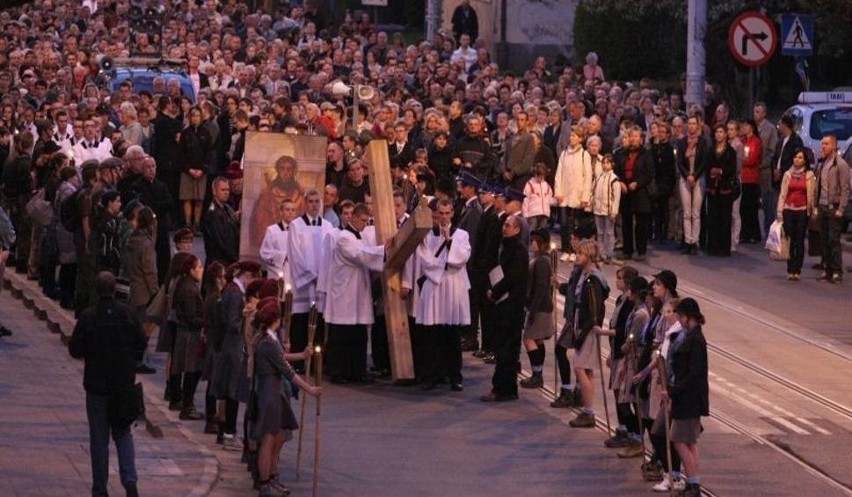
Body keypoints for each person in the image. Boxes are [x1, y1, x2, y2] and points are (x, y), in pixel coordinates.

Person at [69, 271, 147, 497]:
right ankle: (130, 483)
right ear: (115, 290)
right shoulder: (128, 314)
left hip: (96, 386)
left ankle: (100, 488)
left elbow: (75, 348)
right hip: (123, 385)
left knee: (99, 440)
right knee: (123, 434)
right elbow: (141, 343)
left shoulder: (89, 317)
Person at [251, 300, 321, 497]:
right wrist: (309, 388)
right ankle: (265, 483)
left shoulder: (269, 340)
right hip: (269, 393)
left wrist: (302, 355)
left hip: (275, 391)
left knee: (278, 437)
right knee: (268, 439)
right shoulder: (266, 342)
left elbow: (282, 358)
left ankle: (272, 477)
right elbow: (287, 370)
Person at [320, 203, 387, 384]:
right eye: (363, 220)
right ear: (353, 218)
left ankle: (357, 371)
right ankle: (338, 372)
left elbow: (367, 250)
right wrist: (384, 250)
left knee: (358, 333)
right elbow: (360, 255)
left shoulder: (362, 236)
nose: (365, 224)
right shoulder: (343, 237)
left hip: (358, 290)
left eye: (367, 221)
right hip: (345, 292)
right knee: (342, 334)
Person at [415, 199, 472, 391]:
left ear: (452, 214)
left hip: (453, 286)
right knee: (433, 334)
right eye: (441, 213)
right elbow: (424, 259)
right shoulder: (428, 235)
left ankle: (455, 376)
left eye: (448, 213)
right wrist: (444, 266)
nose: (444, 217)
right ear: (436, 214)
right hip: (435, 284)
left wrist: (449, 243)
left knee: (452, 335)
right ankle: (432, 375)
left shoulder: (462, 235)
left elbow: (462, 257)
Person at [212, 260, 262, 451]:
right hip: (233, 348)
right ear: (247, 276)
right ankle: (228, 433)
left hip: (231, 348)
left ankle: (225, 432)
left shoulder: (233, 291)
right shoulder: (234, 294)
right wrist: (245, 314)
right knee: (232, 392)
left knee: (228, 391)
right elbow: (232, 323)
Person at [663, 298, 710, 497]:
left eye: (681, 316)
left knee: (679, 440)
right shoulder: (689, 336)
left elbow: (695, 372)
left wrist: (673, 391)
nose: (679, 319)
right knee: (688, 442)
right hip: (686, 397)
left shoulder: (696, 340)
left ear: (690, 317)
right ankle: (693, 482)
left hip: (689, 398)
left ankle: (694, 485)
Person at [482, 215, 528, 402]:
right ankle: (505, 387)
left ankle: (503, 388)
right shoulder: (507, 248)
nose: (504, 228)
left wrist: (494, 292)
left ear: (517, 230)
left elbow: (512, 278)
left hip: (511, 307)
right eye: (504, 225)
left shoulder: (518, 251)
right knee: (503, 347)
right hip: (503, 305)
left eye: (508, 226)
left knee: (507, 349)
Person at [288, 189, 335, 372]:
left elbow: (331, 255)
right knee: (301, 320)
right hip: (304, 283)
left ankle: (317, 362)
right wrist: (310, 276)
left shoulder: (328, 227)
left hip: (321, 282)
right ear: (305, 203)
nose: (315, 205)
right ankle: (298, 362)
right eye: (311, 202)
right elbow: (295, 254)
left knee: (319, 321)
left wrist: (323, 276)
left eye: (317, 201)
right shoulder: (296, 226)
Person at [568, 239, 609, 428]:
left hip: (587, 327)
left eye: (580, 254)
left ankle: (588, 411)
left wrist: (582, 335)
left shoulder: (593, 280)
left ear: (589, 256)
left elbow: (593, 311)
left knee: (579, 367)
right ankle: (588, 407)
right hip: (581, 322)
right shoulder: (585, 275)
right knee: (587, 369)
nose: (577, 257)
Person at [171, 254, 207, 421]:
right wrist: (207, 321)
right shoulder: (189, 289)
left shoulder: (188, 285)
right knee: (191, 371)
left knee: (191, 370)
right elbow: (191, 317)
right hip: (188, 335)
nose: (201, 270)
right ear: (191, 270)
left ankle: (187, 403)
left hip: (186, 333)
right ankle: (187, 405)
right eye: (198, 268)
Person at [519, 229, 555, 389]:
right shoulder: (537, 258)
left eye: (535, 241)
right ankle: (537, 373)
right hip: (536, 305)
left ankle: (537, 374)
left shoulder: (542, 261)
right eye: (531, 240)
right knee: (537, 340)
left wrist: (532, 310)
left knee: (529, 338)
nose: (532, 243)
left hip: (540, 307)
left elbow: (541, 288)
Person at [814, 135, 850, 284]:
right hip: (822, 207)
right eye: (822, 144)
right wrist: (815, 205)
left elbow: (845, 189)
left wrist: (841, 208)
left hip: (833, 207)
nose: (823, 146)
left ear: (834, 146)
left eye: (826, 144)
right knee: (824, 240)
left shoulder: (840, 165)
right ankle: (827, 269)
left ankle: (837, 271)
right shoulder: (822, 164)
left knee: (833, 240)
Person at [776, 148, 816, 281]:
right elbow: (783, 193)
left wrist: (811, 209)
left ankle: (797, 270)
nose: (797, 160)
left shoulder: (809, 175)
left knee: (799, 240)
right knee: (790, 240)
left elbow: (812, 195)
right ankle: (790, 268)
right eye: (795, 157)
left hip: (802, 210)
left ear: (804, 160)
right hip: (789, 209)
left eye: (800, 158)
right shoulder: (788, 174)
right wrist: (780, 211)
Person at [615, 126, 654, 261]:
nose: (633, 139)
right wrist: (620, 182)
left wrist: (637, 183)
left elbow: (649, 174)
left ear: (641, 139)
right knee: (626, 222)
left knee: (641, 223)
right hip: (625, 190)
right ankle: (627, 250)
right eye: (631, 136)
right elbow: (617, 171)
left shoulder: (646, 153)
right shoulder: (621, 153)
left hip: (640, 191)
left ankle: (641, 251)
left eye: (636, 136)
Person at [554, 125, 593, 261]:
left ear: (581, 139)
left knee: (575, 225)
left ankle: (575, 250)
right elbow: (559, 174)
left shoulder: (584, 155)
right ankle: (565, 249)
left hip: (577, 195)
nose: (572, 138)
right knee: (564, 224)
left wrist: (585, 196)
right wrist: (558, 192)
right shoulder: (564, 154)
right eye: (571, 135)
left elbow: (588, 177)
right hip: (564, 195)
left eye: (575, 136)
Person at [677, 116, 710, 255]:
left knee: (696, 213)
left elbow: (704, 162)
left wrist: (694, 176)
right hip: (685, 178)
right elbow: (679, 162)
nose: (691, 126)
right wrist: (687, 176)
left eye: (693, 124)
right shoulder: (682, 142)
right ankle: (688, 241)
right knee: (687, 212)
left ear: (698, 126)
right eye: (689, 124)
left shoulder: (703, 142)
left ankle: (695, 241)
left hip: (698, 177)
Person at [704, 124, 737, 257]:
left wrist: (720, 171)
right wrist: (711, 171)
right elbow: (707, 166)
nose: (719, 134)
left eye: (721, 132)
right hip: (713, 188)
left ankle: (724, 248)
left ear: (725, 134)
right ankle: (712, 246)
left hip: (725, 188)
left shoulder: (731, 151)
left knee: (725, 218)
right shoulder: (711, 150)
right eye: (716, 132)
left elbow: (732, 168)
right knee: (713, 217)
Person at [202, 177, 240, 270]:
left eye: (228, 190)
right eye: (223, 190)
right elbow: (221, 242)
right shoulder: (212, 214)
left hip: (228, 261)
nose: (226, 192)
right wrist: (235, 257)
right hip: (219, 263)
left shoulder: (227, 208)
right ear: (214, 191)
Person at [591, 153, 621, 264]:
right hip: (598, 209)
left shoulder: (614, 179)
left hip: (608, 210)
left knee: (609, 232)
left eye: (607, 163)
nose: (605, 165)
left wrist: (614, 211)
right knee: (599, 232)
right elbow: (593, 191)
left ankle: (609, 254)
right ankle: (601, 253)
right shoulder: (598, 177)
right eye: (603, 163)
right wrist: (592, 203)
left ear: (612, 164)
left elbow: (616, 197)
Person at [739, 119, 763, 244]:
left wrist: (742, 159)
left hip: (751, 179)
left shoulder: (756, 142)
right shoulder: (742, 141)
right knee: (743, 207)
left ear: (751, 127)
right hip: (742, 178)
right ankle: (744, 233)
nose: (743, 127)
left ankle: (753, 234)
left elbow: (752, 160)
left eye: (745, 125)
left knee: (751, 208)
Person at [522, 162, 555, 232]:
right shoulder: (529, 184)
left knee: (541, 232)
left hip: (544, 214)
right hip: (533, 214)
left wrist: (555, 201)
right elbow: (525, 200)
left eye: (542, 177)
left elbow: (549, 200)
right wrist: (525, 215)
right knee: (532, 231)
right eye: (538, 176)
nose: (540, 178)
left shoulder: (547, 186)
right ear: (535, 174)